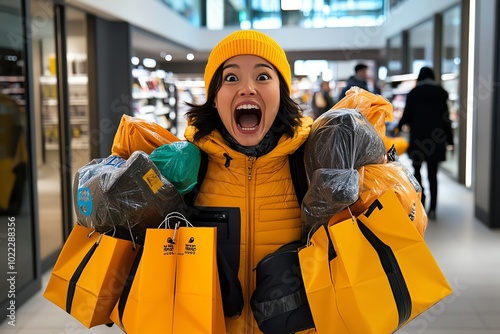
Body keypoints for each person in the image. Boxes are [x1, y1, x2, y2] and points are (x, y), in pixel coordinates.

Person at [184, 30, 313, 333]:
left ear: (282, 93)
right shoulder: (188, 167)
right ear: (214, 99)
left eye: (263, 77)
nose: (247, 89)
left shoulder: (310, 162)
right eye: (230, 78)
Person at [396, 66, 454, 220]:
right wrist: (450, 140)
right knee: (433, 174)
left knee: (416, 172)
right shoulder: (440, 94)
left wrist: (398, 127)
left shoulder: (414, 93)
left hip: (419, 139)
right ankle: (433, 207)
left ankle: (421, 201)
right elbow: (446, 119)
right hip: (436, 139)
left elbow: (407, 115)